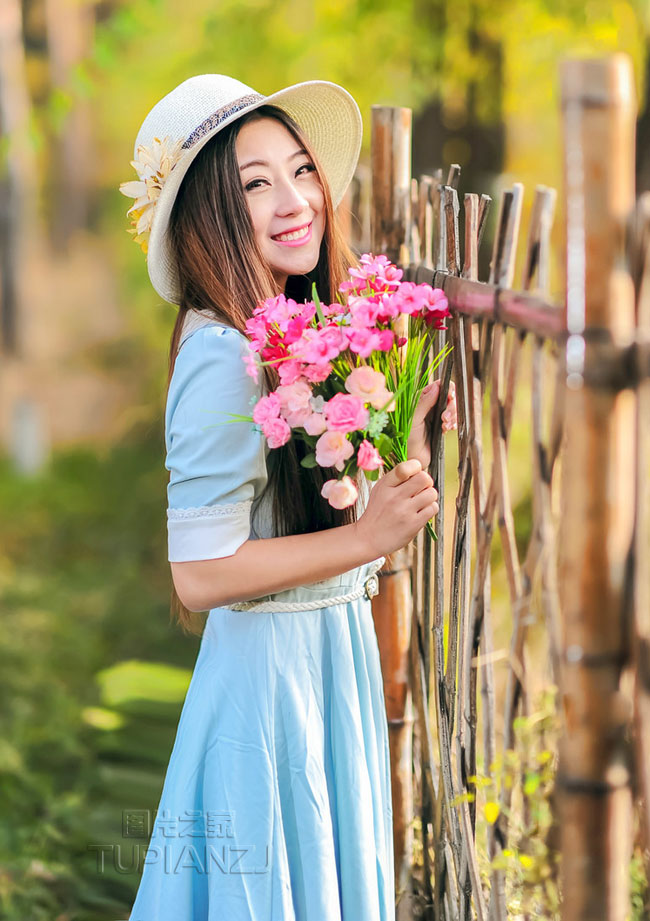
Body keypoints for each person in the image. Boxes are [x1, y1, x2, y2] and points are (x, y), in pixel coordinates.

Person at [119, 73, 457, 921]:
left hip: (322, 662)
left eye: (301, 169)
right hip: (267, 690)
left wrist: (400, 439)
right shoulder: (219, 351)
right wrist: (365, 540)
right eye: (255, 184)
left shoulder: (291, 332)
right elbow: (199, 572)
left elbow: (344, 524)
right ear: (209, 215)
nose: (295, 199)